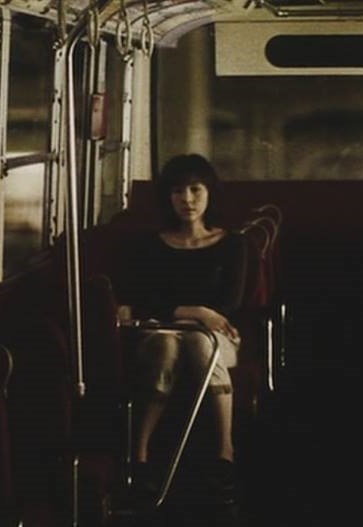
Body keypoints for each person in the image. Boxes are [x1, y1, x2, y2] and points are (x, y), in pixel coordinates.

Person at [118, 153, 247, 499]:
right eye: (177, 191)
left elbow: (230, 304)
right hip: (160, 333)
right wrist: (198, 312)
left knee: (202, 345)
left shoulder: (233, 244)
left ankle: (225, 452)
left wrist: (201, 317)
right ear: (167, 197)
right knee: (166, 345)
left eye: (195, 190)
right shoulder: (151, 245)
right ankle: (140, 455)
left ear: (210, 194)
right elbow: (138, 301)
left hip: (214, 338)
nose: (187, 200)